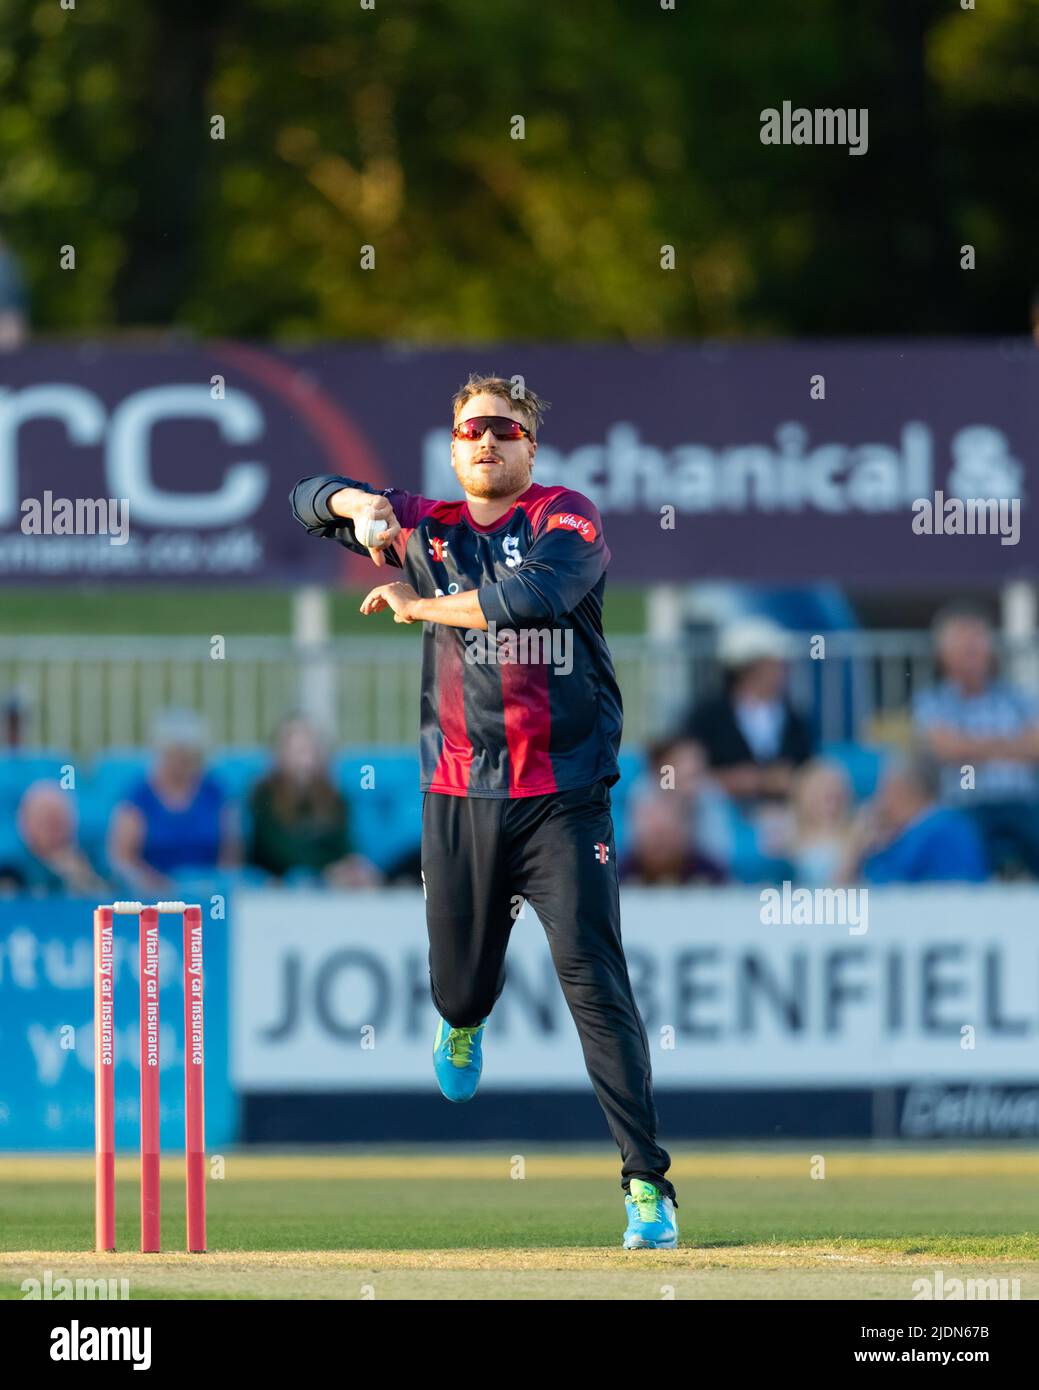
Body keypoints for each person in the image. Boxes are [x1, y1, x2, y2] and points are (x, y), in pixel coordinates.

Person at [291, 373, 677, 1250]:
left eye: (504, 429)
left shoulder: (564, 517)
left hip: (564, 797)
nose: (487, 442)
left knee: (593, 980)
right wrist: (360, 507)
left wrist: (413, 599)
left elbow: (526, 604)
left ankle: (645, 1185)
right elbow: (303, 498)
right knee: (460, 987)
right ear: (453, 445)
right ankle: (462, 1025)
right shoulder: (428, 525)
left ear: (529, 448)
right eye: (471, 430)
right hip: (460, 794)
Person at [913, 602, 1039, 878]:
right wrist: (1010, 745)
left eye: (977, 638)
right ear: (943, 652)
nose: (972, 647)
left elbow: (1036, 747)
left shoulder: (1018, 696)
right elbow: (947, 749)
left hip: (1025, 803)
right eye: (963, 639)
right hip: (966, 806)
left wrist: (970, 747)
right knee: (957, 839)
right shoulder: (932, 701)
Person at [683, 618, 813, 808]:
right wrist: (737, 781)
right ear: (749, 669)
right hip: (720, 814)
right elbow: (684, 771)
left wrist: (788, 779)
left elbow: (808, 768)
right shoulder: (707, 716)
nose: (782, 671)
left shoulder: (795, 719)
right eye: (773, 664)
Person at [108, 709, 238, 894]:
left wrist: (213, 887)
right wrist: (157, 886)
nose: (181, 763)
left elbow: (230, 855)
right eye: (174, 755)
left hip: (207, 894)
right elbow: (122, 858)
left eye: (187, 756)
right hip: (152, 898)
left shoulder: (216, 792)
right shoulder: (138, 796)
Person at [247, 716, 380, 886]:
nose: (304, 760)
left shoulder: (334, 796)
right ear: (279, 755)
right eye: (296, 750)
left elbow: (344, 846)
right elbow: (275, 852)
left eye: (309, 750)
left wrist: (353, 867)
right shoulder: (262, 795)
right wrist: (326, 871)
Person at [837, 748, 987, 885]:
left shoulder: (944, 830)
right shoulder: (905, 834)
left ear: (902, 790)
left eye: (883, 790)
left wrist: (855, 849)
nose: (878, 801)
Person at [14, 781, 107, 896]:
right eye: (44, 820)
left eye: (57, 821)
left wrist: (83, 877)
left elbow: (108, 898)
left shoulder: (94, 861)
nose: (51, 829)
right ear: (25, 823)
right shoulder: (12, 869)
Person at [618, 792, 726, 885]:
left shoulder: (710, 875)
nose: (659, 846)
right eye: (654, 835)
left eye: (666, 835)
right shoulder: (618, 875)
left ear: (684, 833)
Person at [787, 758, 855, 886]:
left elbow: (843, 882)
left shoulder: (853, 836)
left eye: (836, 798)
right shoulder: (790, 836)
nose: (831, 806)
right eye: (825, 798)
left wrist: (854, 851)